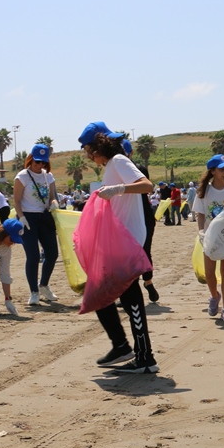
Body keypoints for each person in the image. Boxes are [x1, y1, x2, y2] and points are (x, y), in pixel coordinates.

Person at [79, 121, 159, 374]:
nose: (88, 156)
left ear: (97, 146)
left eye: (87, 150)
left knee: (110, 292)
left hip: (128, 238)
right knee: (106, 292)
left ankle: (137, 352)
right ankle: (131, 350)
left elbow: (148, 186)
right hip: (121, 237)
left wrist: (118, 189)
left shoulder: (119, 162)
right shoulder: (112, 165)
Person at [193, 154, 224, 322]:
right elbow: (201, 214)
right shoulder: (205, 191)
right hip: (209, 236)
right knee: (209, 273)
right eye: (221, 169)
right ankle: (214, 296)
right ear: (212, 171)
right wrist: (201, 232)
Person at [13, 143, 60, 307]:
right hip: (28, 218)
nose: (39, 165)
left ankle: (44, 285)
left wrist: (54, 203)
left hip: (45, 217)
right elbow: (17, 200)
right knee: (32, 256)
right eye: (37, 162)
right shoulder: (22, 176)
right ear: (30, 160)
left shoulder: (49, 176)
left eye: (43, 162)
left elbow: (52, 196)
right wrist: (21, 217)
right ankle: (34, 292)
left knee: (52, 254)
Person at [124, 138, 159, 303]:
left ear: (130, 153)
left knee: (145, 250)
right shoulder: (113, 172)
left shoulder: (139, 169)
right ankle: (130, 288)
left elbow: (145, 188)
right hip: (124, 217)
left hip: (143, 215)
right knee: (125, 254)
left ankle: (148, 282)